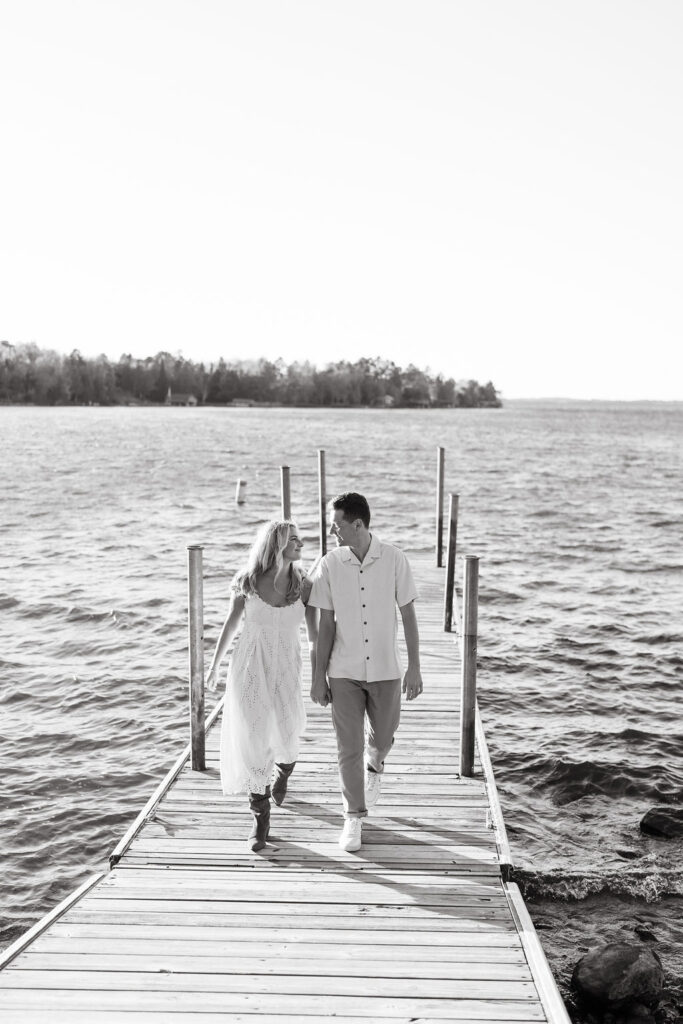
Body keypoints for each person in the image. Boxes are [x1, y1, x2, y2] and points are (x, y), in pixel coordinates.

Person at [309, 492, 423, 852]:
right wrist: (317, 676)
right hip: (343, 669)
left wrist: (416, 666)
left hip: (386, 669)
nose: (332, 530)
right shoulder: (329, 564)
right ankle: (353, 817)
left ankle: (376, 762)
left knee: (384, 737)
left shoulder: (393, 559)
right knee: (348, 747)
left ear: (357, 524)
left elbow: (407, 614)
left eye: (336, 524)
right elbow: (325, 623)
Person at [206, 520, 317, 852]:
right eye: (293, 539)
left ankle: (283, 772)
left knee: (290, 731)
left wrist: (321, 674)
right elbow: (231, 625)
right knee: (254, 738)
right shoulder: (248, 581)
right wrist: (213, 667)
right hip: (250, 667)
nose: (301, 543)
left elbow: (314, 636)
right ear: (277, 545)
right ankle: (260, 818)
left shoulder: (305, 585)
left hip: (287, 668)